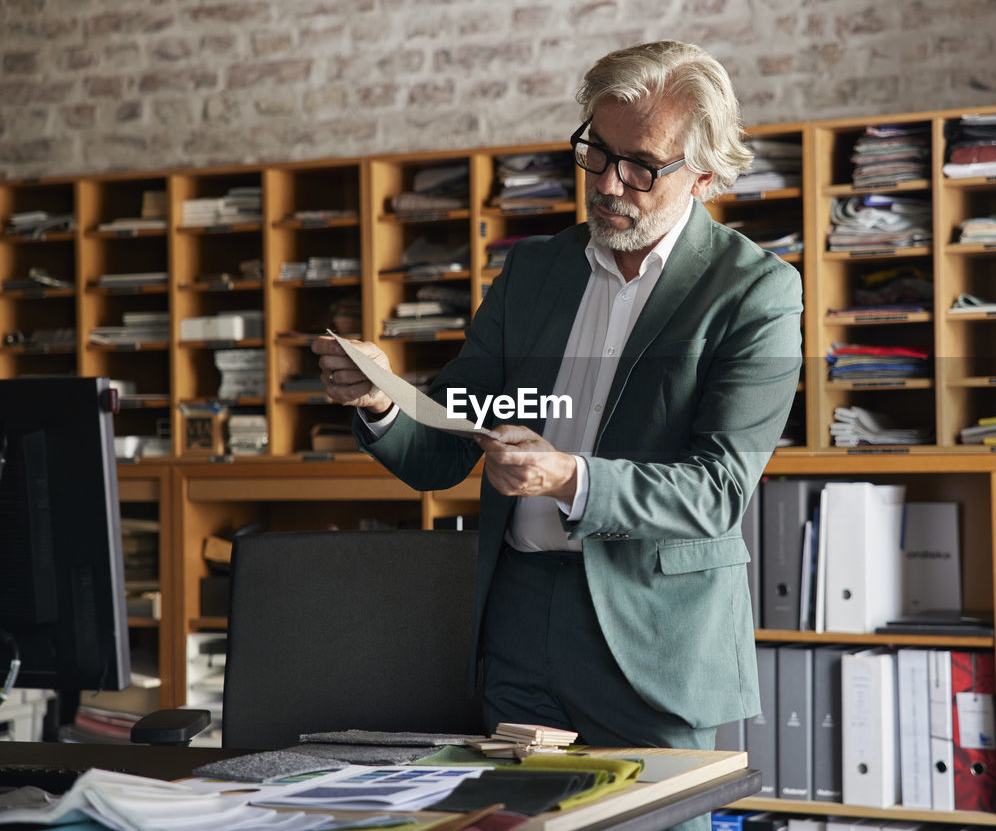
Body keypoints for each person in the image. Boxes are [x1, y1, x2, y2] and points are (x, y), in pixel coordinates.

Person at [314, 39, 802, 786]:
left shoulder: (754, 294)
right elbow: (448, 441)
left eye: (641, 164)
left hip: (655, 638)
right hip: (516, 621)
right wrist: (385, 401)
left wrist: (569, 477)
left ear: (704, 174)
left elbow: (717, 492)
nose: (608, 183)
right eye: (596, 153)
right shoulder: (536, 272)